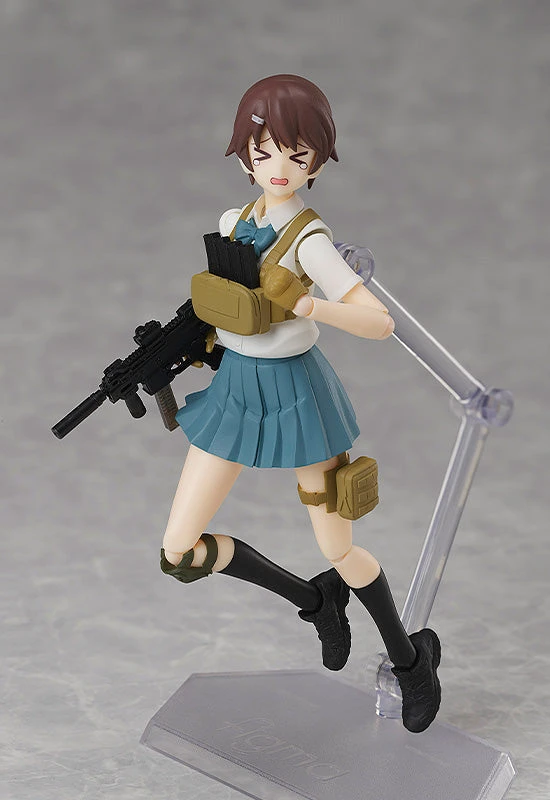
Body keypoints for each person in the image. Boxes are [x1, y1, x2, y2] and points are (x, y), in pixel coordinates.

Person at [160, 74, 441, 733]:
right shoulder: (232, 224)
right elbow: (226, 308)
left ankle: (410, 661)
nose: (279, 167)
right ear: (244, 154)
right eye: (263, 152)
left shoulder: (311, 240)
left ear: (317, 159)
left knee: (338, 545)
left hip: (298, 397)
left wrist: (311, 304)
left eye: (296, 153)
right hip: (235, 391)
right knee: (178, 551)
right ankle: (314, 601)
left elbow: (380, 323)